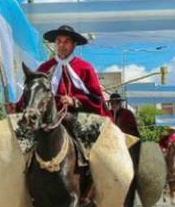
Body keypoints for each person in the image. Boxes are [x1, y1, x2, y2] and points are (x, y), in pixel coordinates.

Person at [9, 25, 109, 165]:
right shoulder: (44, 68)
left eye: (66, 42)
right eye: (59, 41)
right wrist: (16, 107)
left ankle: (92, 173)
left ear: (74, 44)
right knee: (18, 144)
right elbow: (33, 94)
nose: (62, 45)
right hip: (45, 119)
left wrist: (75, 101)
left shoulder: (85, 68)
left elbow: (97, 99)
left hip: (77, 116)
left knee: (98, 155)